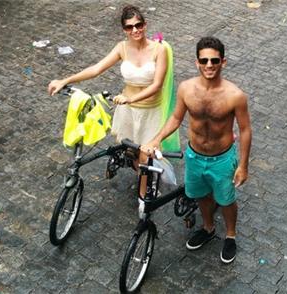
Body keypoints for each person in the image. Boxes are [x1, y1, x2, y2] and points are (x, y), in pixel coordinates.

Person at [141, 37, 252, 264]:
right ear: (197, 62)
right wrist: (157, 139)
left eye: (214, 60)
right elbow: (175, 117)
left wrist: (243, 165)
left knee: (227, 199)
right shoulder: (186, 88)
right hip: (194, 156)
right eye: (204, 60)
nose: (209, 65)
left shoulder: (235, 95)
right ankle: (209, 227)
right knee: (200, 195)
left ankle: (230, 235)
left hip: (222, 159)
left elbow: (245, 130)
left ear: (223, 62)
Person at [48, 5, 177, 149]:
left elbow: (157, 85)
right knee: (131, 151)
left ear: (145, 25)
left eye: (138, 25)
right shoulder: (122, 48)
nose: (135, 30)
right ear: (124, 30)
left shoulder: (159, 50)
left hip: (151, 112)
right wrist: (65, 80)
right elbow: (96, 69)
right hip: (128, 111)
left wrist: (130, 99)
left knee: (146, 156)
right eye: (129, 27)